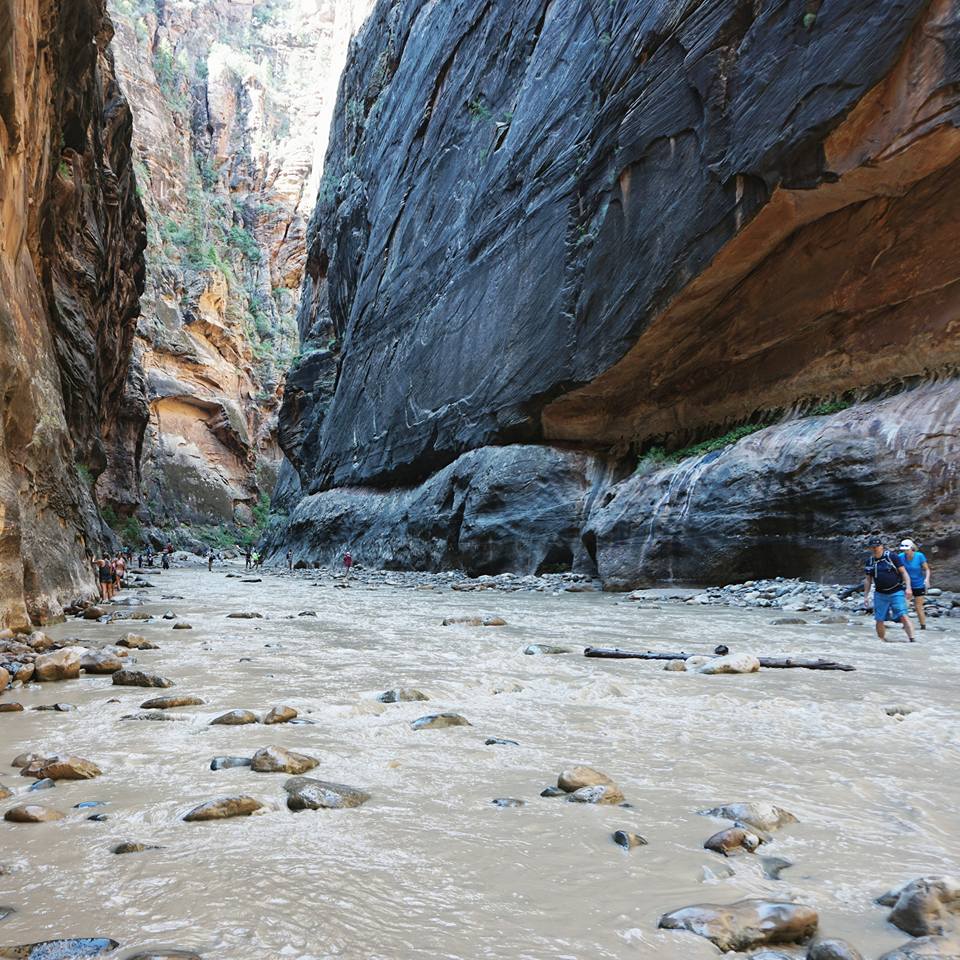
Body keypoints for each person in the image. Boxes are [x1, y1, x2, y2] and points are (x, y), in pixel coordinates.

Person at [864, 536, 915, 642]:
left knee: (903, 615)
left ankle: (912, 639)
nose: (875, 548)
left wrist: (908, 588)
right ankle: (881, 641)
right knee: (879, 619)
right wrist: (866, 596)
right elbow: (868, 580)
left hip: (896, 591)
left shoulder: (891, 557)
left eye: (877, 546)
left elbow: (904, 572)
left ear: (882, 546)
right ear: (870, 548)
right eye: (873, 547)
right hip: (880, 594)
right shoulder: (869, 562)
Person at [898, 538, 931, 630]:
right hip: (906, 585)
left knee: (918, 607)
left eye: (907, 550)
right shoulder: (900, 557)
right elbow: (899, 571)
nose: (905, 552)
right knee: (904, 606)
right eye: (904, 550)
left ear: (912, 548)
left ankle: (923, 627)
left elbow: (927, 569)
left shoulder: (919, 556)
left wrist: (927, 579)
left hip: (919, 584)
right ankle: (905, 625)